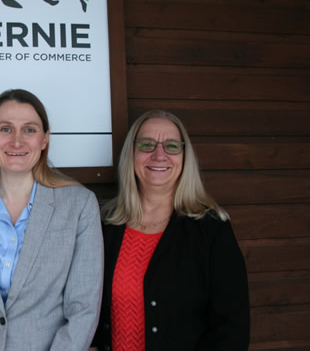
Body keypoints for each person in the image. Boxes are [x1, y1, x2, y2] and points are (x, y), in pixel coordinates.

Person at [0, 89, 104, 351]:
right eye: (6, 129)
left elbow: (83, 309)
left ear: (44, 139)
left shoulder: (78, 205)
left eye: (29, 130)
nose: (17, 141)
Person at [90, 110, 250, 351]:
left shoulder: (212, 229)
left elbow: (232, 328)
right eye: (146, 144)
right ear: (131, 154)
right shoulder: (106, 225)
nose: (159, 155)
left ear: (185, 157)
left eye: (172, 146)